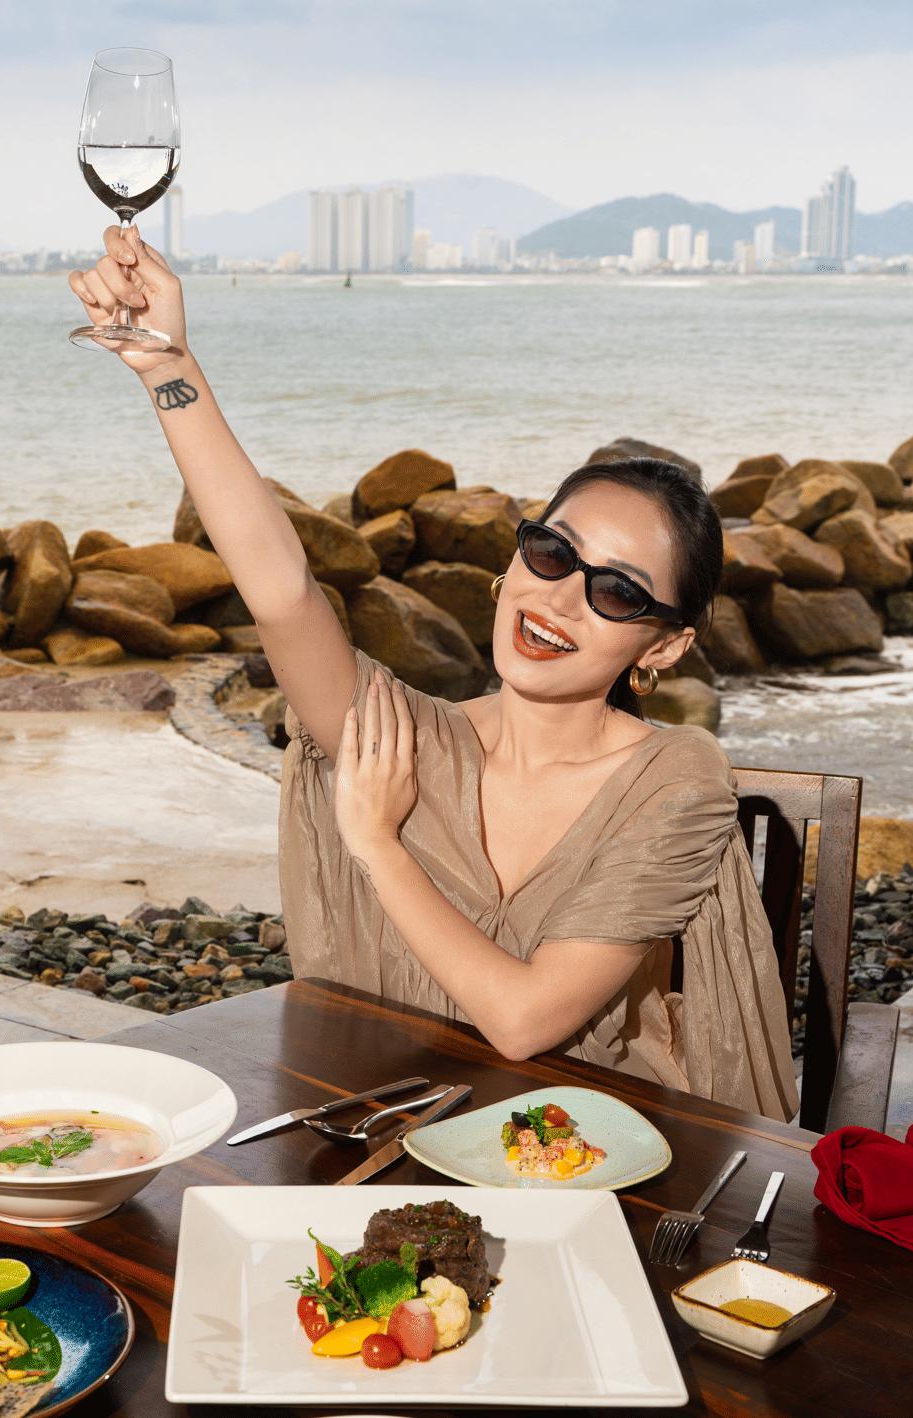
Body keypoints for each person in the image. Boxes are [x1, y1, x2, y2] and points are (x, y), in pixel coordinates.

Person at [69, 227, 799, 1123]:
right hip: (390, 1125)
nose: (561, 597)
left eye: (617, 592)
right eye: (552, 551)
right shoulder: (408, 742)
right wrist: (167, 369)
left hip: (590, 1154)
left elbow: (526, 1022)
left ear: (661, 647)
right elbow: (283, 591)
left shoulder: (675, 778)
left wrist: (374, 841)